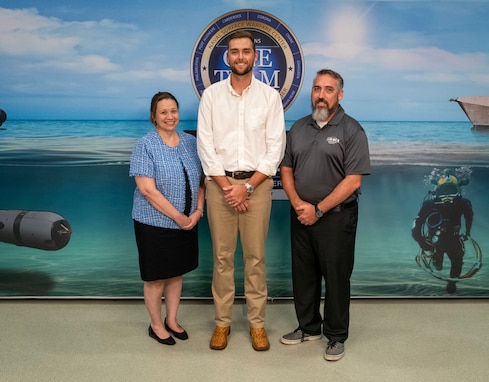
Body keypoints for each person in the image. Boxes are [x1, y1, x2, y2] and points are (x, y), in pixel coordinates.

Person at [197, 30, 286, 351]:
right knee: (222, 259)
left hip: (257, 187)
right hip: (219, 186)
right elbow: (205, 145)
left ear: (255, 56)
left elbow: (275, 148)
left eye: (246, 51)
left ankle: (257, 324)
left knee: (255, 258)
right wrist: (226, 186)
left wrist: (246, 187)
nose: (240, 57)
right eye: (234, 51)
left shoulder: (269, 97)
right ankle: (222, 324)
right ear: (226, 57)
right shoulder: (211, 96)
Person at [279, 69, 370, 361]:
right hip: (301, 215)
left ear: (340, 95)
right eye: (317, 88)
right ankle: (309, 327)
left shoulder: (351, 130)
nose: (321, 95)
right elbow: (286, 169)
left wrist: (318, 209)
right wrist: (298, 204)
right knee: (303, 276)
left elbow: (353, 180)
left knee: (336, 278)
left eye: (329, 89)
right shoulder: (299, 127)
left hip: (336, 218)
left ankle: (336, 336)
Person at [130, 91, 205, 345]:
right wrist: (179, 218)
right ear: (154, 116)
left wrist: (198, 211)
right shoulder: (145, 145)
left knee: (176, 273)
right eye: (163, 112)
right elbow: (147, 190)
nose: (169, 116)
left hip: (187, 222)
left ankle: (172, 320)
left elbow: (202, 181)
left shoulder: (190, 142)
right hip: (154, 224)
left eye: (173, 111)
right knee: (156, 278)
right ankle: (155, 324)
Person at [412, 169, 473, 294]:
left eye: (451, 191)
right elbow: (417, 224)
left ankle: (451, 284)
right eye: (444, 192)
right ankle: (440, 266)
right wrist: (421, 241)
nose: (447, 197)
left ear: (458, 191)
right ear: (437, 191)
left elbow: (469, 217)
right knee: (437, 266)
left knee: (457, 261)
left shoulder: (463, 203)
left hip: (453, 239)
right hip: (435, 242)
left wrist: (467, 232)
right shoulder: (429, 204)